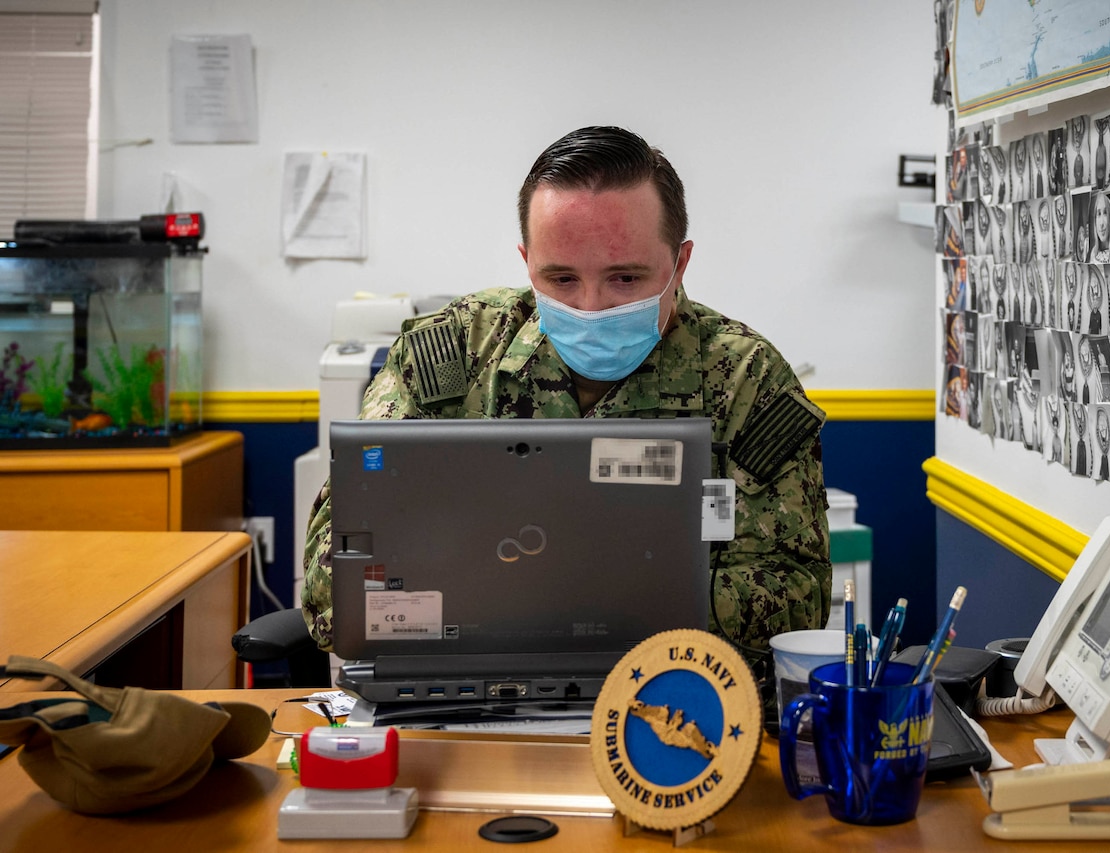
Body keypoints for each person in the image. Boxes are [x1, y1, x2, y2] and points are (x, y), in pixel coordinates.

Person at [301, 126, 832, 655]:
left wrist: (525, 585)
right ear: (527, 262)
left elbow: (796, 601)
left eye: (625, 278)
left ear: (680, 263)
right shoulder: (454, 358)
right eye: (561, 279)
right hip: (463, 690)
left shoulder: (745, 381)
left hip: (674, 692)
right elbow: (332, 594)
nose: (591, 306)